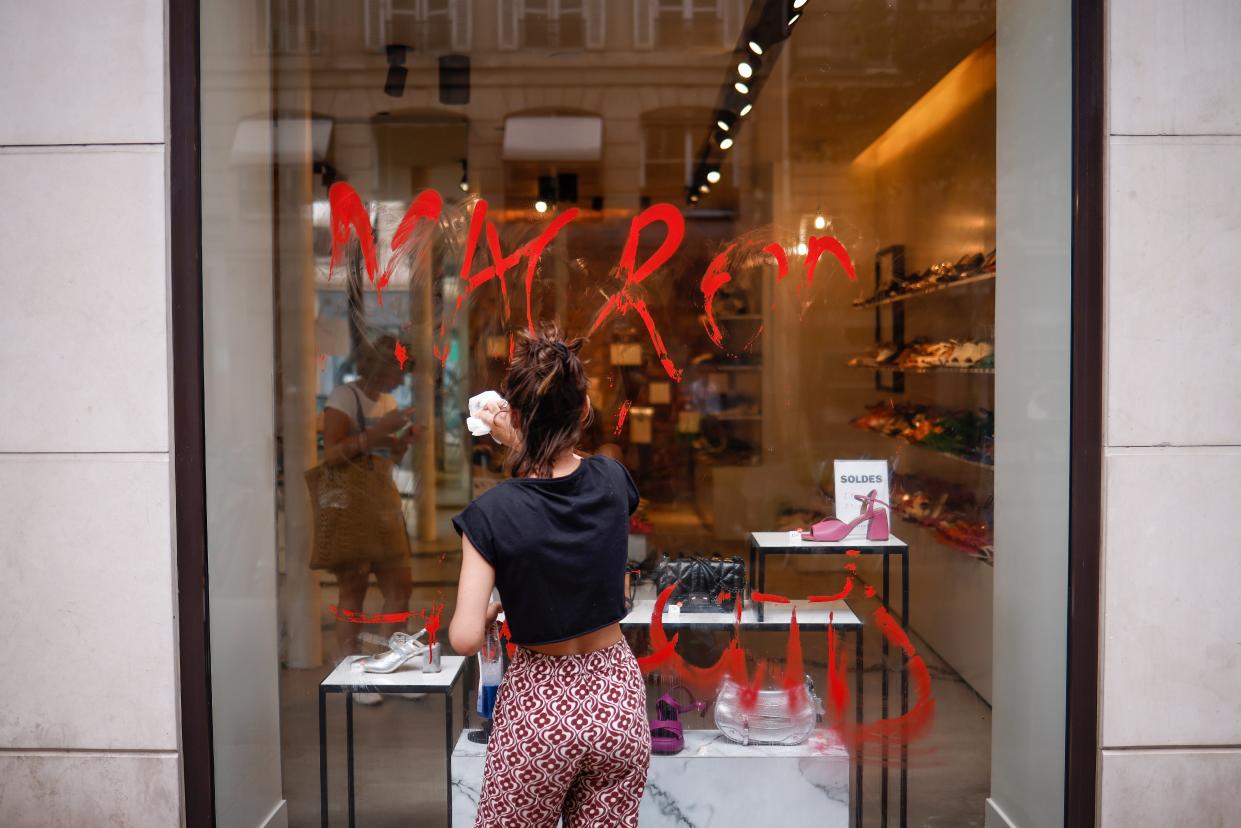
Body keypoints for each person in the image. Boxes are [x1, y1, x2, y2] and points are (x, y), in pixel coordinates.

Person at [449, 326, 650, 828]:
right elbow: (565, 484)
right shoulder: (612, 479)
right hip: (618, 698)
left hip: (542, 706)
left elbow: (465, 636)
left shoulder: (491, 513)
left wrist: (498, 606)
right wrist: (523, 433)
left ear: (514, 417)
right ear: (584, 411)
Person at [322, 334, 417, 703]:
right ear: (384, 365)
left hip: (382, 504)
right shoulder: (345, 397)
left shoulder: (388, 401)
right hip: (351, 508)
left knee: (400, 586)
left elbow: (382, 456)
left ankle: (390, 662)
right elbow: (332, 455)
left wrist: (401, 440)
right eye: (402, 368)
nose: (404, 377)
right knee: (353, 590)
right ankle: (351, 669)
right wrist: (381, 430)